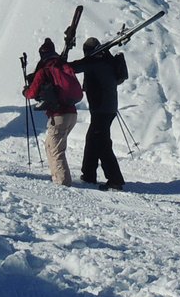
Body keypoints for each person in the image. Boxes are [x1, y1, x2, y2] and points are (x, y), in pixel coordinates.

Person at [23, 38, 84, 187]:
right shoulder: (63, 66)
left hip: (58, 116)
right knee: (50, 146)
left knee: (56, 150)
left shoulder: (45, 70)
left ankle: (63, 184)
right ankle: (57, 178)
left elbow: (31, 93)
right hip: (72, 114)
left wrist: (25, 91)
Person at [68, 36, 127, 190]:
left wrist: (58, 62)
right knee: (93, 139)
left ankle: (115, 180)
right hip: (106, 108)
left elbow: (73, 68)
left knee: (102, 143)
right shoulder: (106, 59)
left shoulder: (94, 62)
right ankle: (88, 174)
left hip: (101, 109)